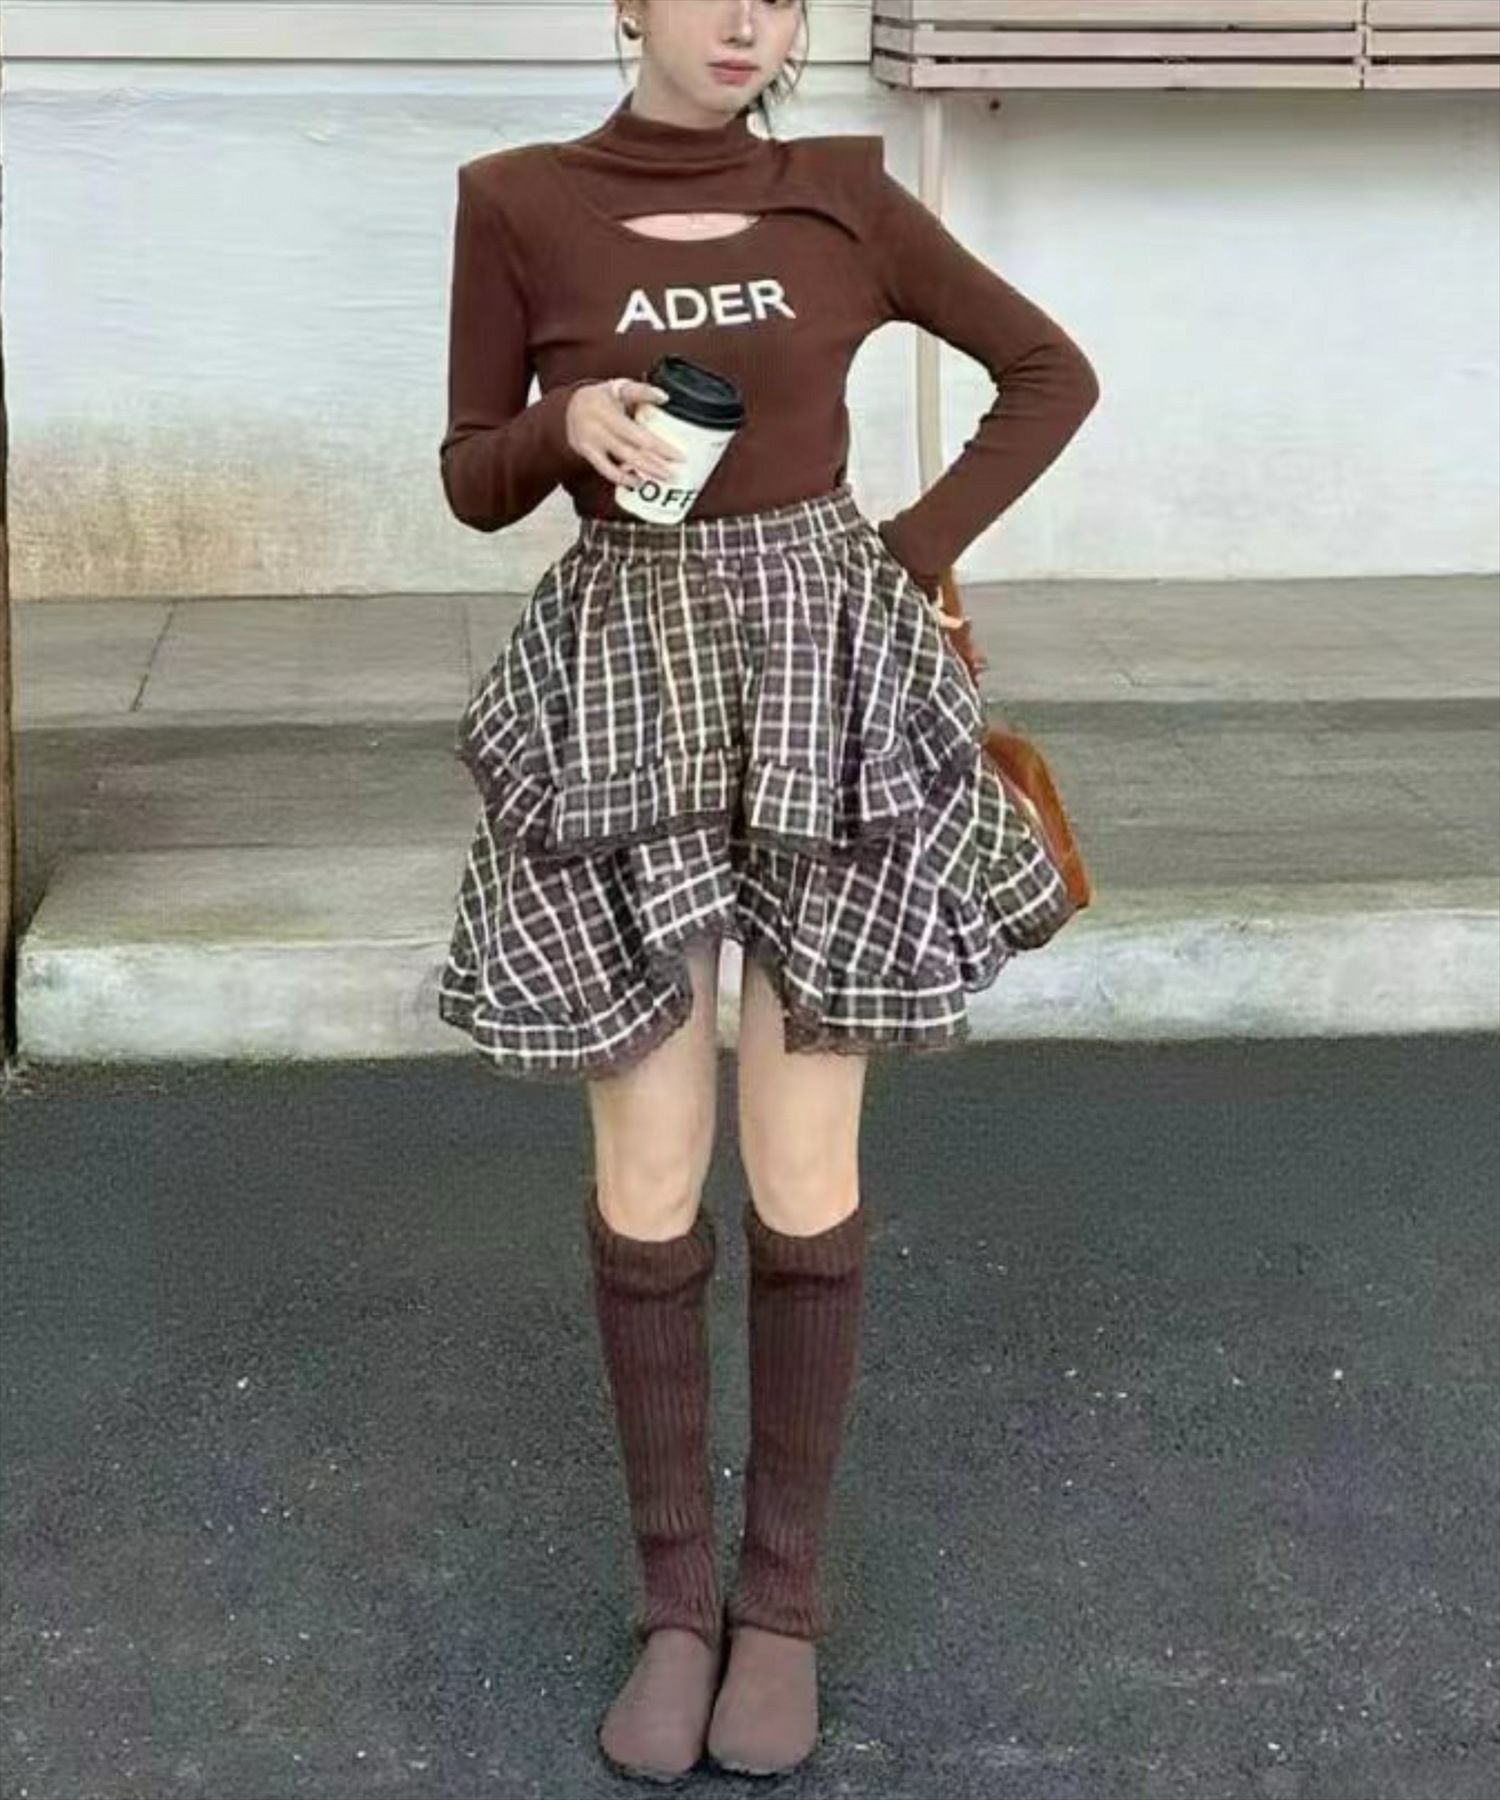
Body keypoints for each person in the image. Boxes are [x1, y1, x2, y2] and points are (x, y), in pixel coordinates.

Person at [435, 0, 1100, 1782]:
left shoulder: (845, 194)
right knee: (649, 1173)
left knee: (804, 1171)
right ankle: (677, 1604)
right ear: (626, 3)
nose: (748, 19)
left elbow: (1050, 371)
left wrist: (903, 555)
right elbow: (471, 478)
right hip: (621, 688)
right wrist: (565, 424)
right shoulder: (518, 198)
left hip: (825, 689)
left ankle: (782, 1604)